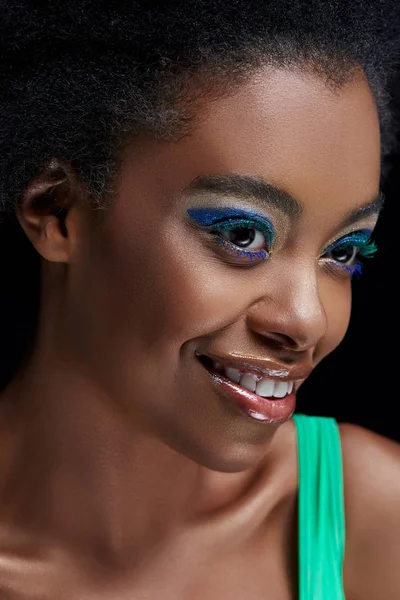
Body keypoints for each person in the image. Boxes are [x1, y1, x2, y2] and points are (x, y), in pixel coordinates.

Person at [0, 1, 399, 598]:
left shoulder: (376, 520)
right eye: (243, 235)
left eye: (343, 252)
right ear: (58, 213)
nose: (307, 320)